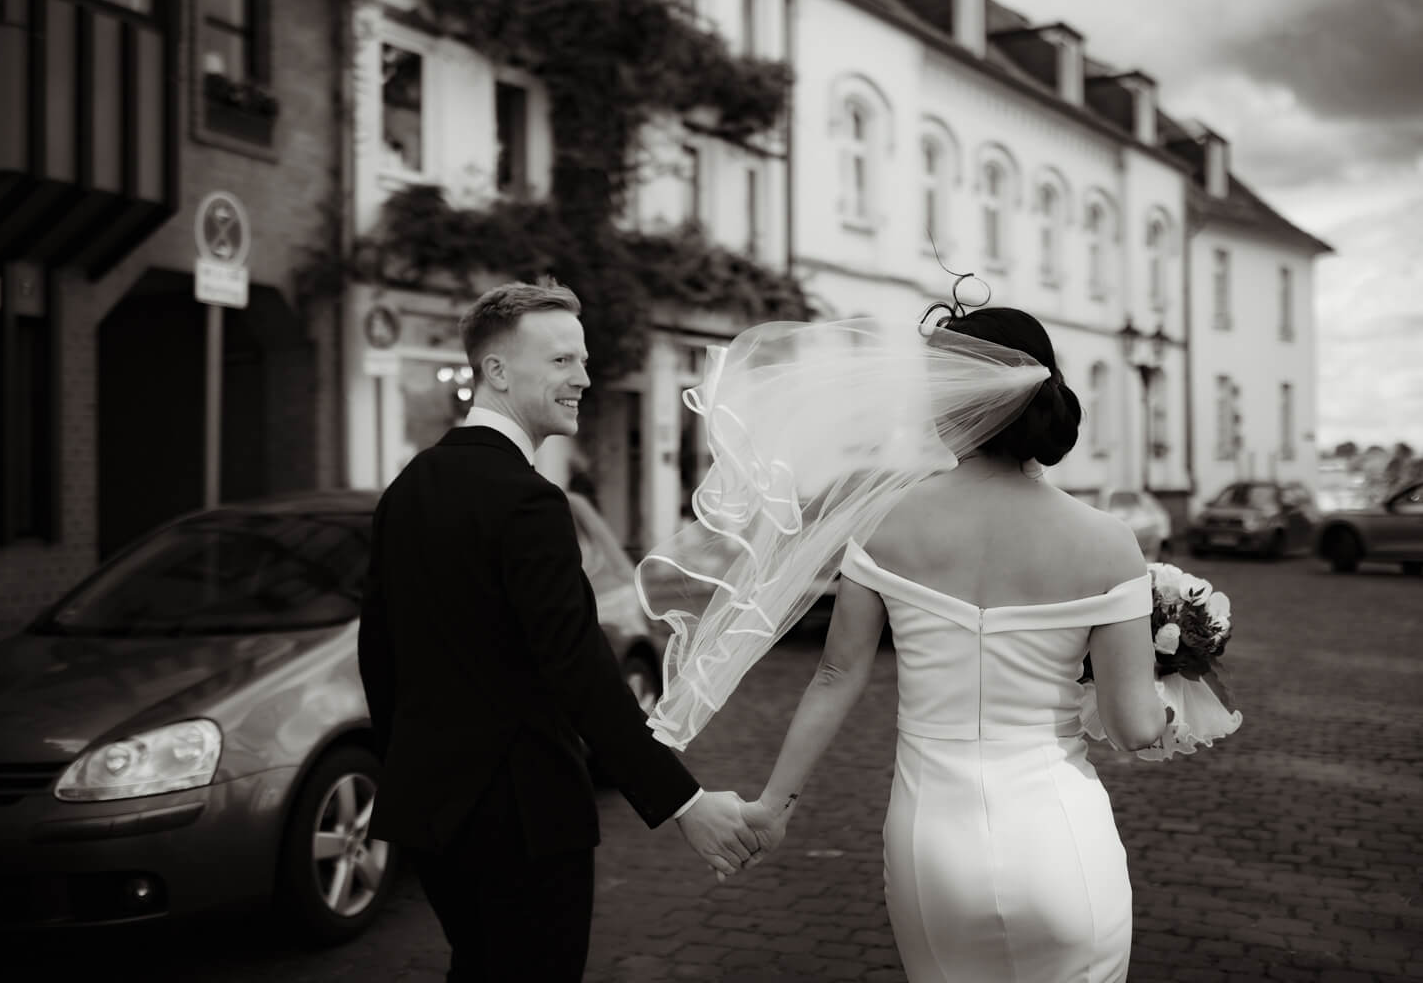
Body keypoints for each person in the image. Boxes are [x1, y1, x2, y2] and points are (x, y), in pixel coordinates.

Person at [729, 308, 1175, 982]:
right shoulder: (1108, 542)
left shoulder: (883, 524)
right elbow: (1134, 726)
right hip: (1059, 842)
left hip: (930, 844)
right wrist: (1179, 697)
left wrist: (772, 806)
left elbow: (834, 676)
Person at [358, 279, 759, 982]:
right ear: (497, 371)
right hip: (524, 820)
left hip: (431, 813)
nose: (584, 376)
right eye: (562, 361)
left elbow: (380, 659)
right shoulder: (528, 501)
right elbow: (579, 672)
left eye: (581, 358)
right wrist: (684, 803)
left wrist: (414, 771)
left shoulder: (408, 486)